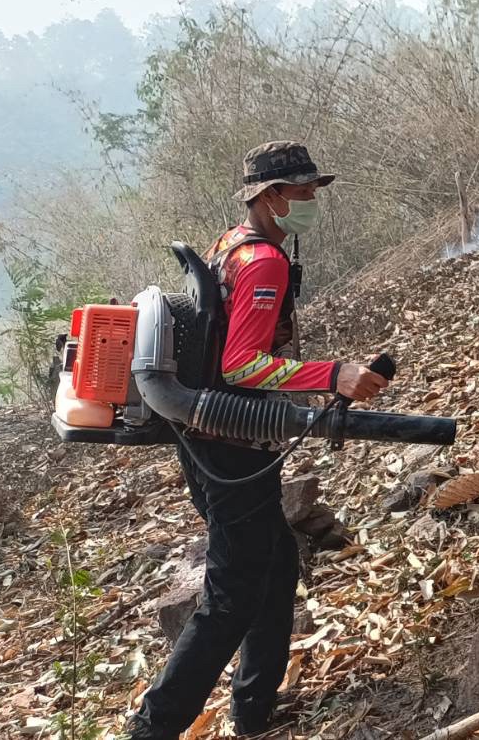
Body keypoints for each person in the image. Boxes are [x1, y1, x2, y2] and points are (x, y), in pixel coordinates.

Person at [127, 141, 389, 739]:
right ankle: (153, 727)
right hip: (232, 441)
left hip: (209, 433)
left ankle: (253, 707)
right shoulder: (262, 262)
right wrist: (334, 374)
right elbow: (243, 364)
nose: (312, 202)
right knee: (231, 593)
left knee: (276, 558)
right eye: (303, 192)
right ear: (270, 197)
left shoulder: (231, 243)